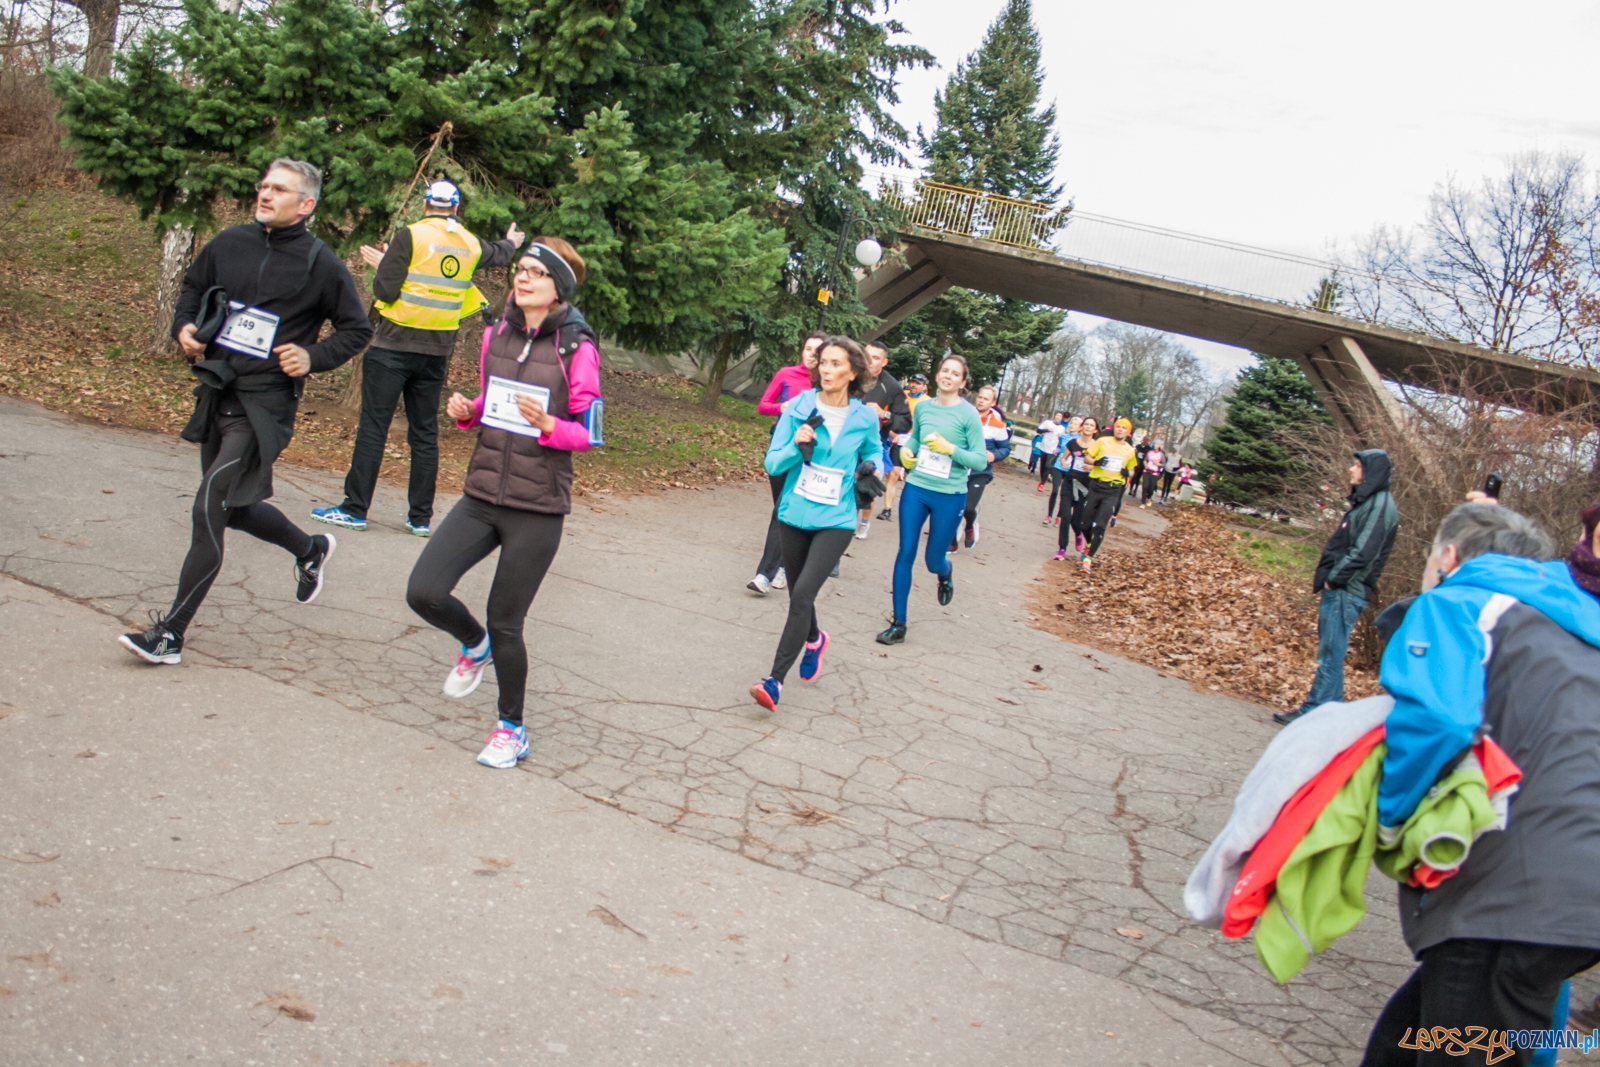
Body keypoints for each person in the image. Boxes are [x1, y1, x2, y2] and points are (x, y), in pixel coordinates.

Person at [1360, 503, 1600, 1067]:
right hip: (1568, 892)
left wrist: (1391, 820)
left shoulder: (1460, 602)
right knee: (1410, 1039)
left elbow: (1437, 721)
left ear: (1446, 556)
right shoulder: (1574, 621)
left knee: (1470, 1040)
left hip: (1514, 892)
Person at [118, 159, 371, 665]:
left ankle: (171, 634)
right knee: (232, 509)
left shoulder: (321, 264)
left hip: (265, 404)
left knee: (208, 504)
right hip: (218, 390)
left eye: (279, 189)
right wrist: (184, 328)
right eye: (263, 186)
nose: (265, 194)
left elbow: (356, 329)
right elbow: (191, 288)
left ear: (306, 205)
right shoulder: (229, 243)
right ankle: (309, 549)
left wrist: (311, 358)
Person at [404, 237, 602, 769]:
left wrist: (550, 427)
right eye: (520, 269)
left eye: (536, 273)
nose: (523, 278)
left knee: (506, 622)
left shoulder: (576, 348)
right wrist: (468, 411)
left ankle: (510, 730)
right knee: (423, 591)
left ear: (557, 286)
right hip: (482, 492)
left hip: (537, 507)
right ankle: (473, 644)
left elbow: (590, 434)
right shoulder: (495, 333)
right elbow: (490, 403)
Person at [312, 180, 523, 537]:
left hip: (393, 347)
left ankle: (354, 509)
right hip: (437, 354)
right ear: (456, 209)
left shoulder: (409, 236)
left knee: (373, 429)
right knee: (424, 433)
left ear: (426, 205)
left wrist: (385, 264)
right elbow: (497, 253)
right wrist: (513, 243)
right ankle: (420, 518)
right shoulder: (469, 242)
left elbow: (385, 290)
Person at [748, 338, 884, 710]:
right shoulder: (799, 407)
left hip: (837, 518)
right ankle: (814, 639)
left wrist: (874, 469)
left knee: (804, 593)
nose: (826, 369)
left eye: (836, 363)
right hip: (794, 514)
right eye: (823, 362)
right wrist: (795, 443)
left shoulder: (864, 417)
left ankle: (773, 681)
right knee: (797, 593)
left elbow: (874, 450)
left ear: (853, 372)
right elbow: (773, 464)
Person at [1273, 449, 1398, 726]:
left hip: (1346, 591)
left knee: (1330, 652)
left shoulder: (1380, 506)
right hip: (1342, 589)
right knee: (1330, 651)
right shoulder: (1368, 502)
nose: (1351, 470)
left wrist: (1335, 578)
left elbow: (1364, 551)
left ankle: (1317, 711)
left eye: (1356, 466)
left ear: (1370, 472)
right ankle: (1326, 712)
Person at [876, 355, 988, 645]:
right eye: (944, 370)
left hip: (949, 495)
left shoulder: (968, 415)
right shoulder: (924, 407)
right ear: (938, 375)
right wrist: (907, 455)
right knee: (906, 552)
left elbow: (978, 458)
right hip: (917, 488)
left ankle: (945, 572)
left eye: (955, 373)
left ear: (962, 383)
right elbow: (914, 443)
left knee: (932, 560)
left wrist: (950, 449)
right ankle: (899, 623)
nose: (947, 376)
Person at [748, 334, 824, 594]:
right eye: (807, 348)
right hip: (782, 449)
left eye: (816, 351)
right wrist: (784, 408)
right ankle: (785, 563)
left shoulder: (826, 387)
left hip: (807, 456)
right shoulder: (786, 374)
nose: (810, 355)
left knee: (781, 511)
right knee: (782, 511)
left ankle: (764, 574)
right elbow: (763, 406)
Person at [854, 341, 911, 540]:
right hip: (847, 442)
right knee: (847, 491)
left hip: (873, 446)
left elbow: (905, 421)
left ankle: (864, 522)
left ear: (884, 362)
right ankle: (840, 534)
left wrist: (884, 415)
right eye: (867, 355)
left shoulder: (892, 386)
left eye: (876, 358)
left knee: (866, 489)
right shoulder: (850, 374)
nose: (869, 361)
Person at [1076, 417, 1139, 574]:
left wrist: (1127, 473)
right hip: (1096, 486)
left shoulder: (1130, 451)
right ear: (1114, 429)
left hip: (1113, 490)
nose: (1120, 430)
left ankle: (1088, 559)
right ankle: (1089, 543)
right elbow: (1087, 458)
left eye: (1124, 428)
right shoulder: (1103, 441)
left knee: (1101, 525)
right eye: (1118, 427)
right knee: (1085, 523)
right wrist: (1096, 462)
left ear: (1128, 432)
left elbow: (1132, 471)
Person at [958, 384, 1011, 550]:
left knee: (968, 507)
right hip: (959, 468)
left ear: (993, 402)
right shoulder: (965, 415)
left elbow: (1005, 448)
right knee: (954, 506)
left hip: (980, 471)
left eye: (986, 399)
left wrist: (995, 456)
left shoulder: (998, 425)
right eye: (980, 397)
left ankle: (970, 525)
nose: (981, 401)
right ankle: (952, 542)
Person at [878, 373, 927, 522]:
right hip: (898, 439)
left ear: (925, 386)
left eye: (918, 383)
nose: (914, 385)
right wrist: (891, 432)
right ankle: (887, 509)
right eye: (912, 382)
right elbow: (888, 414)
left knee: (913, 478)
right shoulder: (901, 395)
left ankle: (914, 511)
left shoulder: (928, 402)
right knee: (893, 474)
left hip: (917, 443)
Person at [1054, 416, 1096, 560]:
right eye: (1086, 424)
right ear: (1081, 427)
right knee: (1065, 516)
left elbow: (1101, 464)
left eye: (1091, 425)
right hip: (1070, 482)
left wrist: (1092, 466)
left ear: (1095, 429)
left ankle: (1079, 534)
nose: (1088, 427)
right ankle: (1062, 549)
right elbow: (1063, 457)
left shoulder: (1097, 446)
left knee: (1077, 520)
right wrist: (1064, 462)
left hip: (1085, 486)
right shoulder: (1073, 443)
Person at [1035, 411, 1065, 492]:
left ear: (1062, 418)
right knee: (1043, 466)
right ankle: (1042, 480)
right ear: (1054, 416)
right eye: (1057, 415)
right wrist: (1047, 430)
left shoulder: (1062, 428)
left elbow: (1063, 441)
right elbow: (1038, 430)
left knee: (1048, 466)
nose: (1058, 417)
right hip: (1044, 447)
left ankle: (1042, 484)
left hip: (1053, 450)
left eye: (1060, 416)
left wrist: (1058, 448)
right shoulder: (1048, 423)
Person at [1139, 437, 1166, 509]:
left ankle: (1149, 497)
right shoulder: (1149, 452)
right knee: (1145, 486)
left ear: (1159, 446)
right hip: (1147, 471)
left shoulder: (1161, 454)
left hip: (1154, 473)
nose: (1155, 445)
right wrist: (1145, 465)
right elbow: (1145, 460)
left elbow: (1163, 464)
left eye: (1157, 444)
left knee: (1150, 488)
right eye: (1154, 444)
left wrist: (1157, 463)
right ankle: (1143, 502)